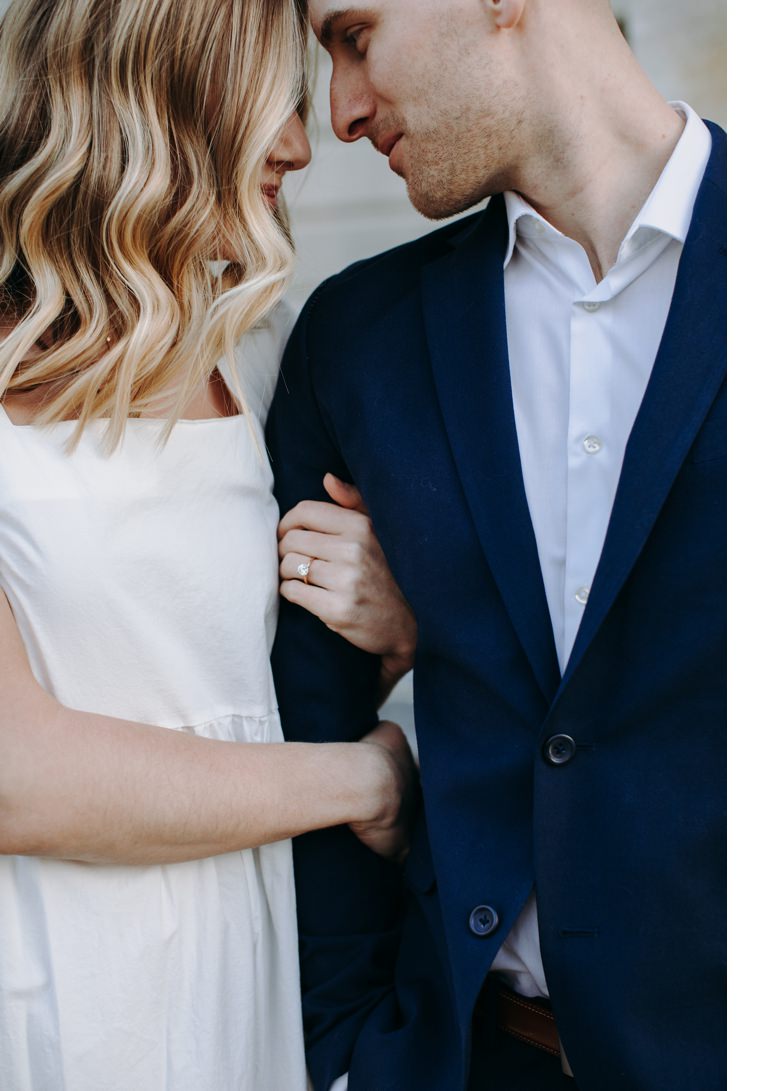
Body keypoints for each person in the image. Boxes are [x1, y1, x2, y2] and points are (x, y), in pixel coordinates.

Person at [270, 0, 726, 1087]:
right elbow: (302, 726)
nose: (340, 111)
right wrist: (346, 1053)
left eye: (353, 36)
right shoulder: (355, 337)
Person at [0, 0, 421, 1086]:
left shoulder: (264, 347)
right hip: (55, 966)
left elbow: (284, 654)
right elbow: (16, 775)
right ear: (155, 99)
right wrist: (366, 782)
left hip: (257, 942)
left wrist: (398, 614)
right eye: (270, 99)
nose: (304, 139)